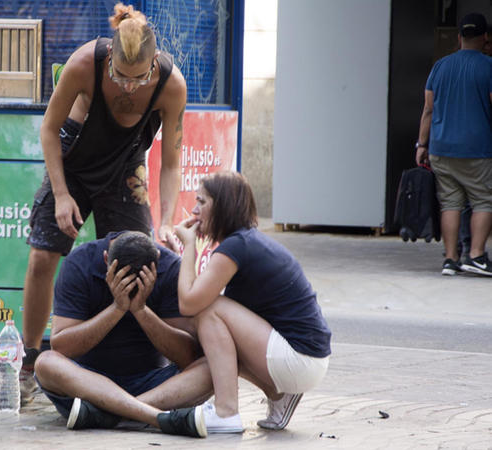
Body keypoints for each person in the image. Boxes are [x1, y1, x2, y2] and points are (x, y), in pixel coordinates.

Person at [21, 2, 187, 400]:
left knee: (135, 261)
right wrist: (61, 196)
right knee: (43, 256)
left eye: (138, 79)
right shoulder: (84, 63)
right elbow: (48, 130)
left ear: (153, 66)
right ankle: (30, 361)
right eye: (121, 76)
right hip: (73, 162)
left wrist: (167, 218)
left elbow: (170, 162)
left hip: (125, 168)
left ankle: (124, 365)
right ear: (109, 57)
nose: (129, 86)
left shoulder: (170, 84)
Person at [173, 171, 332, 432]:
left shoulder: (235, 247)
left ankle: (225, 412)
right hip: (308, 359)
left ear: (222, 205)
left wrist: (188, 245)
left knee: (209, 310)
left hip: (301, 359)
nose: (194, 209)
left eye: (202, 202)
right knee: (214, 332)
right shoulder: (245, 242)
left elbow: (189, 303)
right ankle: (280, 395)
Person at [33, 231, 214, 438]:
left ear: (157, 259)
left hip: (154, 386)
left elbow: (187, 356)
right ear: (105, 259)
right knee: (46, 362)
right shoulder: (79, 263)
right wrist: (117, 309)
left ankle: (111, 415)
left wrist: (141, 311)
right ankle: (153, 416)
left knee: (215, 365)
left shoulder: (171, 267)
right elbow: (62, 347)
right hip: (88, 386)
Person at [416, 13, 492, 277]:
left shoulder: (440, 67)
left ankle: (450, 259)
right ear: (485, 37)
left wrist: (421, 144)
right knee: (484, 200)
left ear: (459, 37)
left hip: (441, 148)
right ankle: (477, 255)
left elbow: (428, 109)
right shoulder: (489, 67)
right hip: (477, 149)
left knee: (450, 203)